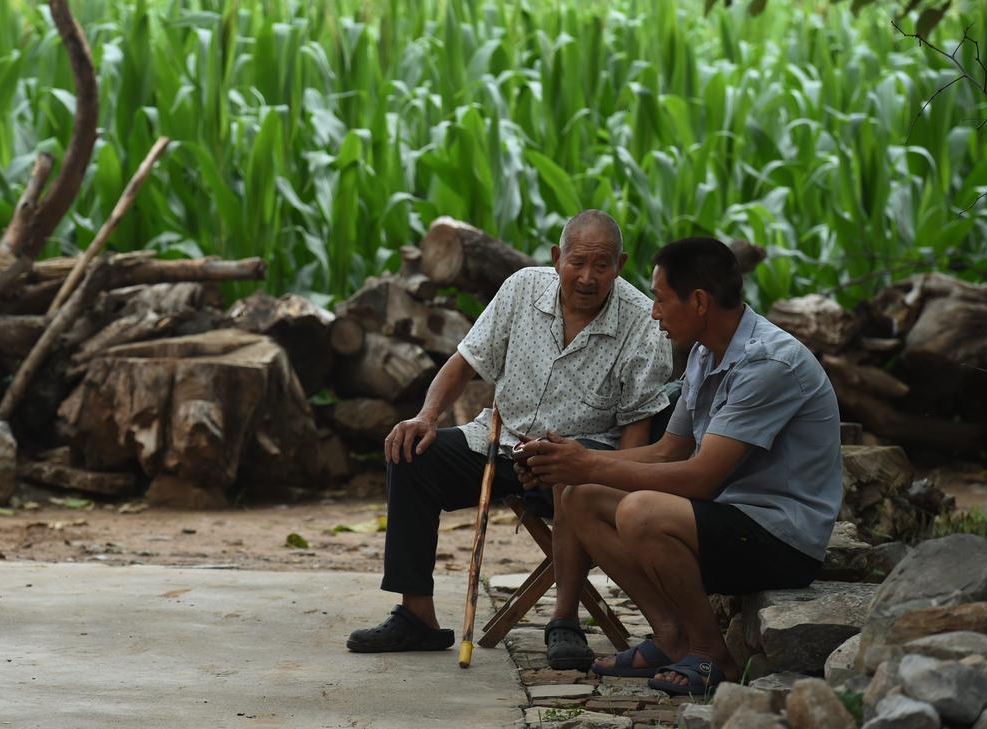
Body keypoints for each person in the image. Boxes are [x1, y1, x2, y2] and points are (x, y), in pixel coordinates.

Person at [515, 237, 842, 696]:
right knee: (580, 498)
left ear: (701, 302)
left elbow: (701, 478)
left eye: (662, 299)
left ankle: (712, 654)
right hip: (731, 520)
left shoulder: (768, 363)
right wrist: (566, 464)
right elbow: (666, 451)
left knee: (641, 512)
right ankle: (672, 637)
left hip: (781, 538)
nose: (654, 313)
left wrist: (586, 461)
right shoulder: (708, 353)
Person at [345, 210, 672, 656]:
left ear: (621, 263)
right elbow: (465, 361)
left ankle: (565, 621)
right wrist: (426, 415)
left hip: (575, 460)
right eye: (577, 262)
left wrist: (616, 479)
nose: (588, 277)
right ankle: (416, 615)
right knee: (412, 453)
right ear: (558, 258)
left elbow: (638, 424)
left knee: (573, 482)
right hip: (497, 441)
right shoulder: (522, 288)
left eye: (602, 265)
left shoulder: (641, 322)